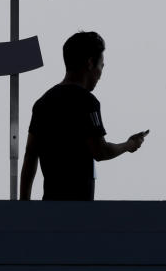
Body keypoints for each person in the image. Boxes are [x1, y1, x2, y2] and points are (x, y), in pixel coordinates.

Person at [19, 31, 148, 201]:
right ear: (90, 63)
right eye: (101, 65)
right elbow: (100, 151)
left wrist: (23, 206)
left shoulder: (43, 102)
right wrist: (129, 144)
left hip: (49, 207)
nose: (101, 73)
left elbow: (30, 155)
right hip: (79, 211)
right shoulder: (87, 102)